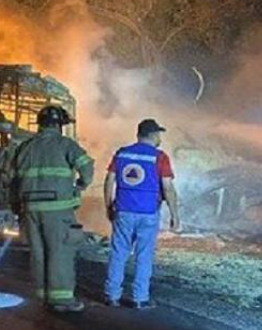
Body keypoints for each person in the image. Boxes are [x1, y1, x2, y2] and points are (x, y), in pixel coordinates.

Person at [11, 105, 95, 312]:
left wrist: (16, 208)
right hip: (57, 209)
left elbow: (12, 180)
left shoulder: (25, 147)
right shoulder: (65, 144)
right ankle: (62, 300)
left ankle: (44, 296)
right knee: (59, 251)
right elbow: (86, 166)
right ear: (59, 125)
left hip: (30, 209)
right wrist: (81, 184)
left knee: (38, 253)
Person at [103, 119, 179, 309]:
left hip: (123, 211)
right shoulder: (160, 157)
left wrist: (108, 206)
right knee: (143, 256)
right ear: (153, 135)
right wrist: (174, 215)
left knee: (118, 254)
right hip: (148, 213)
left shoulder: (122, 153)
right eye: (159, 134)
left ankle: (112, 296)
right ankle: (139, 298)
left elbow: (109, 180)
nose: (160, 138)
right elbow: (168, 188)